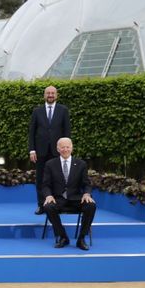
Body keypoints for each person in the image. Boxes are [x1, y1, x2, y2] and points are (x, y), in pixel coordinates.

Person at [42, 138, 95, 250]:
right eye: (62, 147)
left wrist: (87, 194)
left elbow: (87, 183)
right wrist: (48, 195)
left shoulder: (81, 164)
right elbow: (45, 185)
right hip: (58, 199)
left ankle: (81, 239)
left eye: (68, 147)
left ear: (72, 148)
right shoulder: (50, 164)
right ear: (58, 149)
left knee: (91, 205)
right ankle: (63, 237)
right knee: (48, 206)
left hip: (76, 199)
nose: (65, 149)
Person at [28, 86, 70, 215]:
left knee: (59, 179)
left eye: (52, 93)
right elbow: (32, 132)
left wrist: (66, 149)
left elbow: (66, 131)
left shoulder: (63, 110)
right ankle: (42, 206)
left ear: (56, 95)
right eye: (48, 93)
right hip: (40, 152)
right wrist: (32, 150)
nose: (50, 95)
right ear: (44, 95)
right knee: (40, 179)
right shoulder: (37, 111)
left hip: (58, 151)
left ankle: (58, 205)